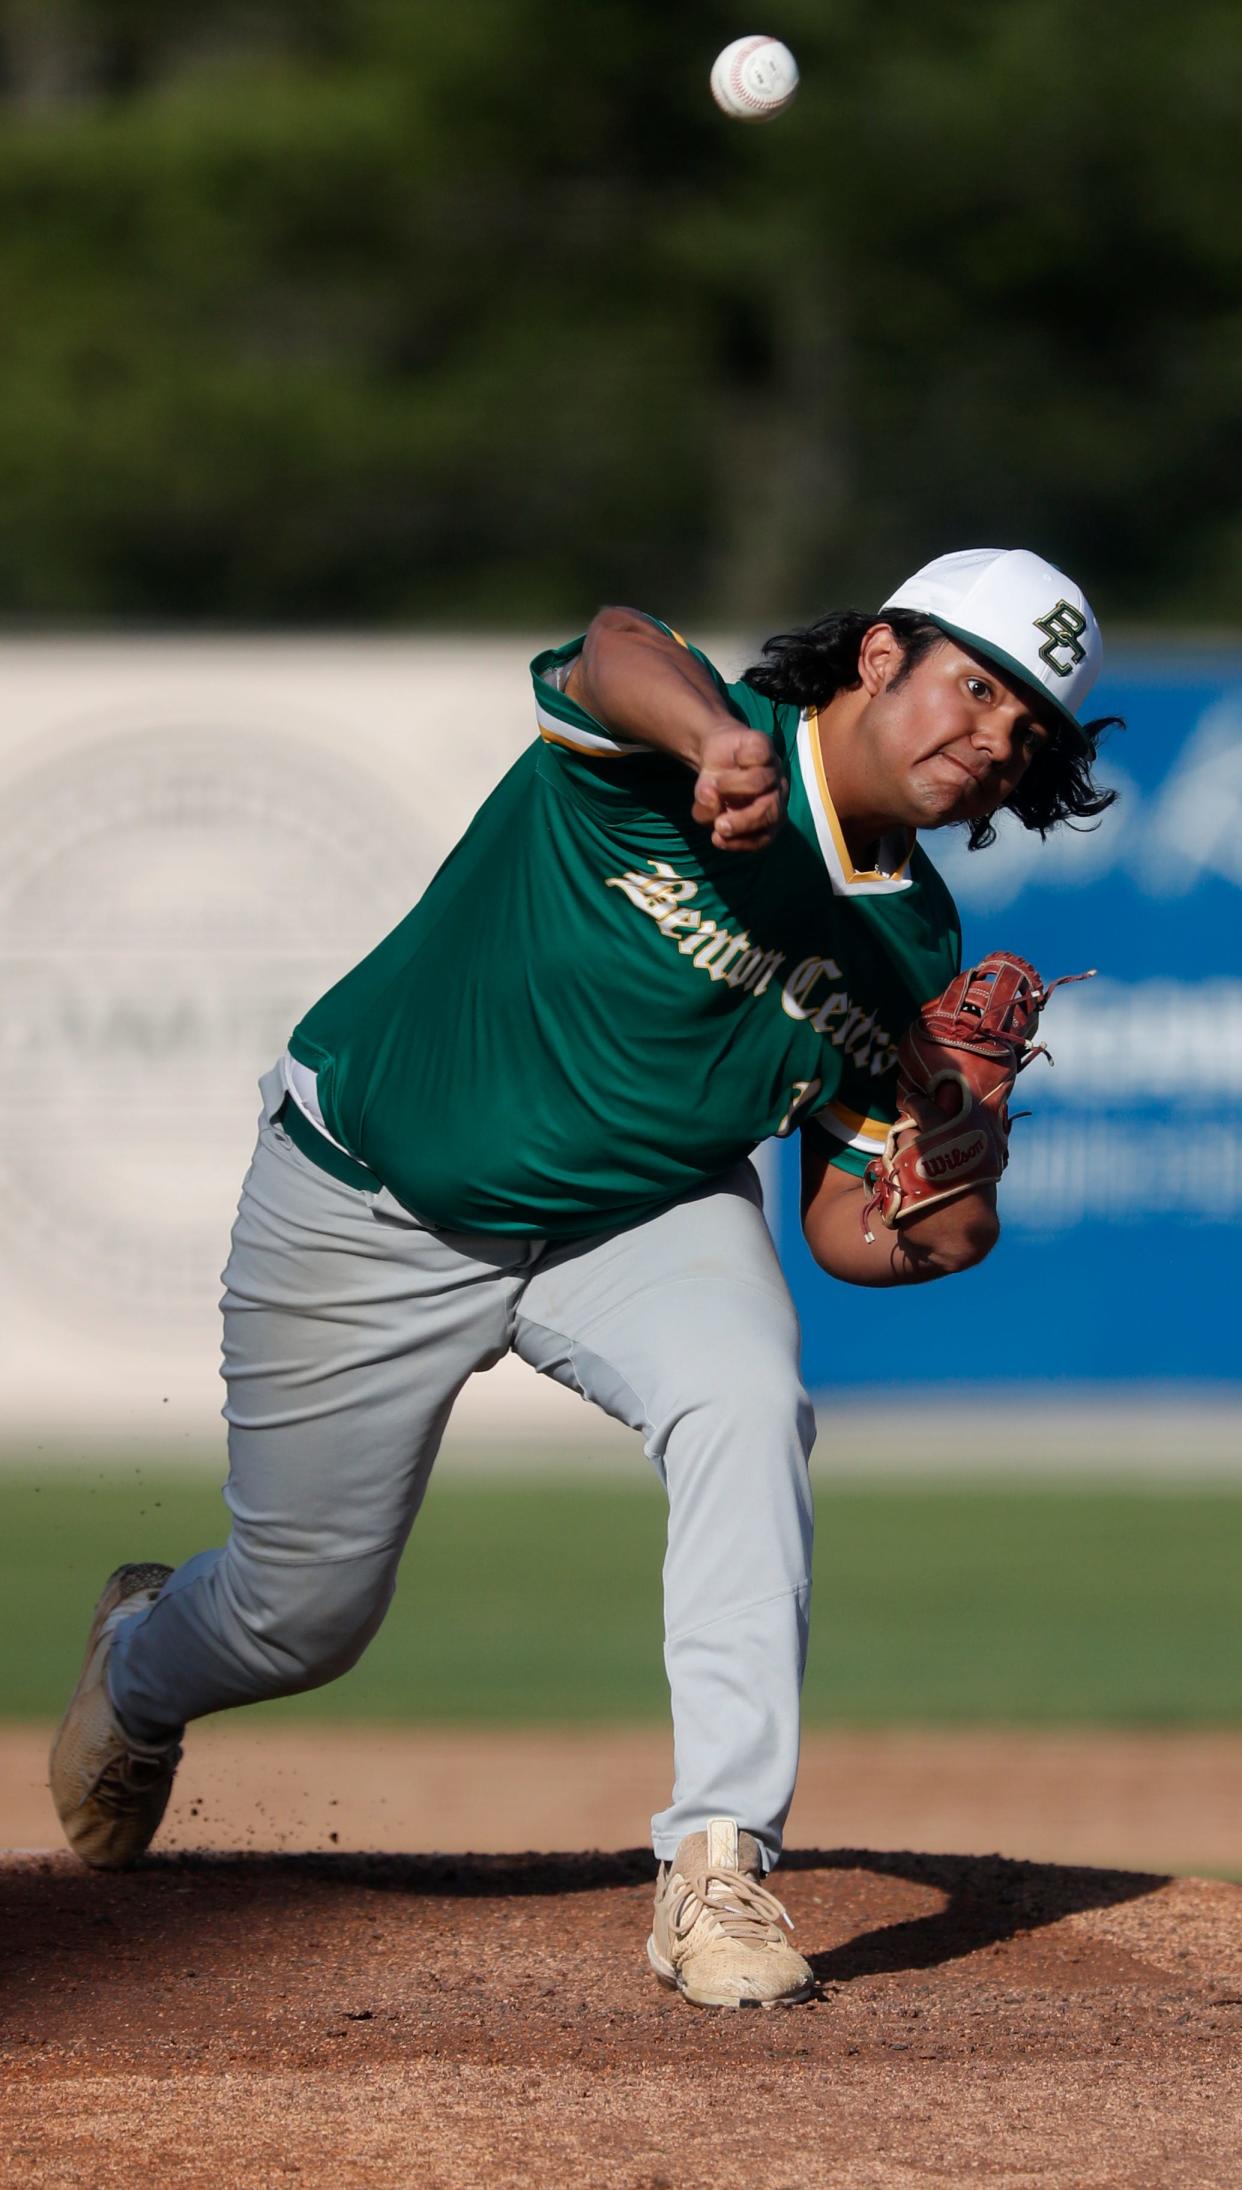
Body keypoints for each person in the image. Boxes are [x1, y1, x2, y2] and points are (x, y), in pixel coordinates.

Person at [50, 547, 1116, 2009]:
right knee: (299, 1620)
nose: (991, 737)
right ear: (881, 655)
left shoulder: (907, 939)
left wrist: (957, 1170)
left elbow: (852, 1236)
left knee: (746, 1397)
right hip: (374, 1198)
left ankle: (717, 1859)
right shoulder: (681, 733)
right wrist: (711, 736)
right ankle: (139, 1667)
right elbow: (611, 642)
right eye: (976, 684)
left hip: (637, 1221)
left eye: (1027, 732)